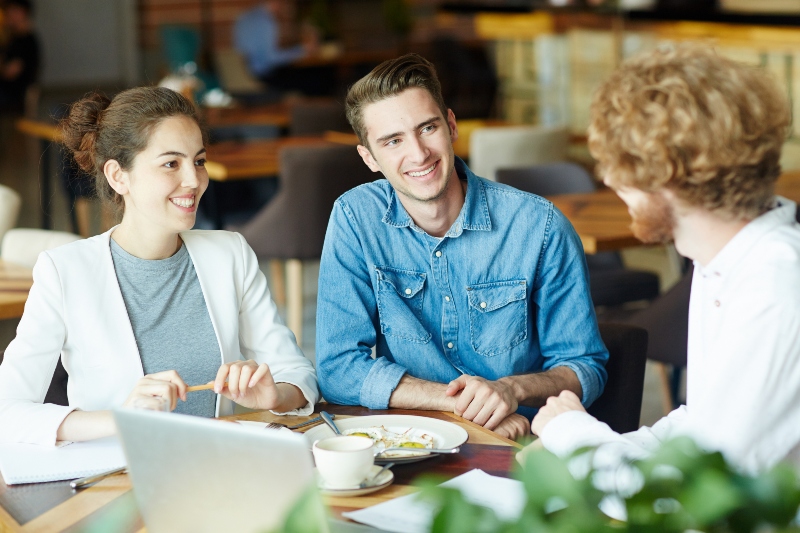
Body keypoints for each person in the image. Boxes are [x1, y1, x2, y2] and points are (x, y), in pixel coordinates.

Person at [530, 45, 800, 473]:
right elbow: (702, 424)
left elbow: (705, 492)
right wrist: (582, 437)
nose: (609, 179)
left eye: (623, 165)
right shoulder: (723, 264)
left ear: (673, 174)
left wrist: (571, 432)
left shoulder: (774, 291)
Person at [0, 87, 319, 445]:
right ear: (118, 176)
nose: (194, 180)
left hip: (220, 468)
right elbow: (8, 410)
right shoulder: (64, 272)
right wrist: (120, 419)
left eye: (198, 161)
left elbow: (297, 373)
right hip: (118, 480)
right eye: (171, 163)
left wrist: (276, 395)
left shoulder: (230, 254)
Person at [315, 53, 608, 440]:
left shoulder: (540, 227)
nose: (418, 154)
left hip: (516, 442)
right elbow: (337, 369)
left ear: (451, 126)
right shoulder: (355, 219)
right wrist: (459, 405)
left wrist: (511, 390)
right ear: (369, 158)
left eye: (428, 128)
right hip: (411, 441)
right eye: (393, 141)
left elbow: (585, 367)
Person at [233, 0, 327, 96]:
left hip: (243, 74)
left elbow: (241, 50)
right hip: (263, 76)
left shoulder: (244, 17)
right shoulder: (267, 21)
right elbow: (271, 59)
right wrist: (303, 50)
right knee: (319, 78)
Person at [0, 0, 39, 114]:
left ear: (22, 12)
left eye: (12, 11)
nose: (8, 15)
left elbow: (11, 72)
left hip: (13, 99)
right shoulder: (11, 39)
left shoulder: (27, 41)